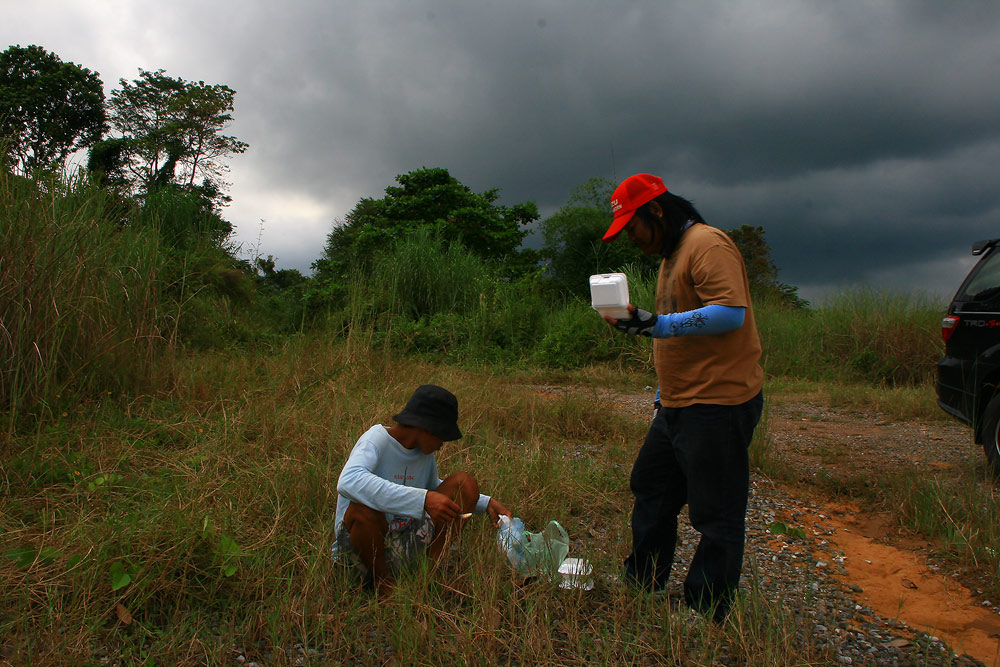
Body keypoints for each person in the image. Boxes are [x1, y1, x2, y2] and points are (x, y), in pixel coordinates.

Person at [601, 173, 764, 622]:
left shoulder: (708, 244)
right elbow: (676, 326)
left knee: (716, 510)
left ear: (655, 211)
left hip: (718, 402)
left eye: (633, 229)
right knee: (651, 487)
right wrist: (661, 391)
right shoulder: (671, 255)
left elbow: (731, 313)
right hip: (676, 403)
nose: (632, 240)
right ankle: (643, 583)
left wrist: (657, 324)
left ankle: (705, 609)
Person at [332, 384, 512, 594]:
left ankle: (430, 573)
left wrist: (486, 502)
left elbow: (432, 489)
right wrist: (423, 500)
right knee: (362, 509)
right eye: (442, 436)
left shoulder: (423, 454)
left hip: (403, 544)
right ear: (425, 427)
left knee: (465, 483)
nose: (442, 444)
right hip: (362, 554)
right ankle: (383, 584)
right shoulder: (376, 440)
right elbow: (348, 481)